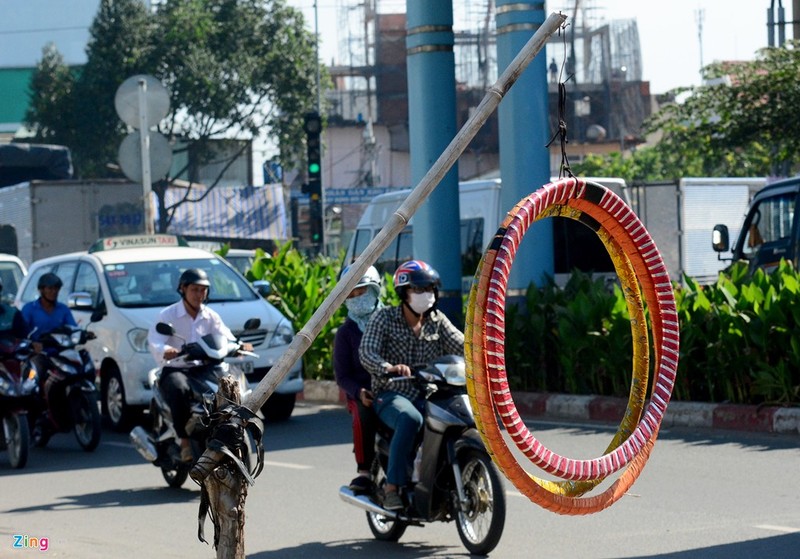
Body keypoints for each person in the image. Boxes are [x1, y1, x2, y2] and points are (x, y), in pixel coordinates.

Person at [359, 260, 464, 511]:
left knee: (455, 416)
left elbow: (462, 345)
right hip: (391, 393)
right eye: (418, 290)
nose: (425, 295)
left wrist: (485, 355)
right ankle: (392, 487)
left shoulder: (437, 320)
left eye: (429, 289)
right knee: (410, 419)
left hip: (428, 393)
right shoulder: (384, 318)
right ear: (403, 293)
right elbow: (367, 352)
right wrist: (388, 367)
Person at [148, 268, 252, 463]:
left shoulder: (211, 316)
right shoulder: (168, 315)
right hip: (177, 368)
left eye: (203, 290)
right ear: (183, 289)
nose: (199, 294)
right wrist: (166, 350)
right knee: (179, 389)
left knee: (228, 386)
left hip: (206, 367)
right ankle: (185, 441)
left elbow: (225, 335)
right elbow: (155, 341)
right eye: (195, 289)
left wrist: (238, 345)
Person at [333, 265, 383, 495]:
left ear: (374, 291)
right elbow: (342, 376)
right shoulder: (346, 333)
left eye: (360, 291)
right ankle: (364, 471)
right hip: (363, 392)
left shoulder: (390, 320)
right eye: (350, 294)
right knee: (364, 412)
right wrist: (360, 391)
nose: (356, 298)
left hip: (396, 386)